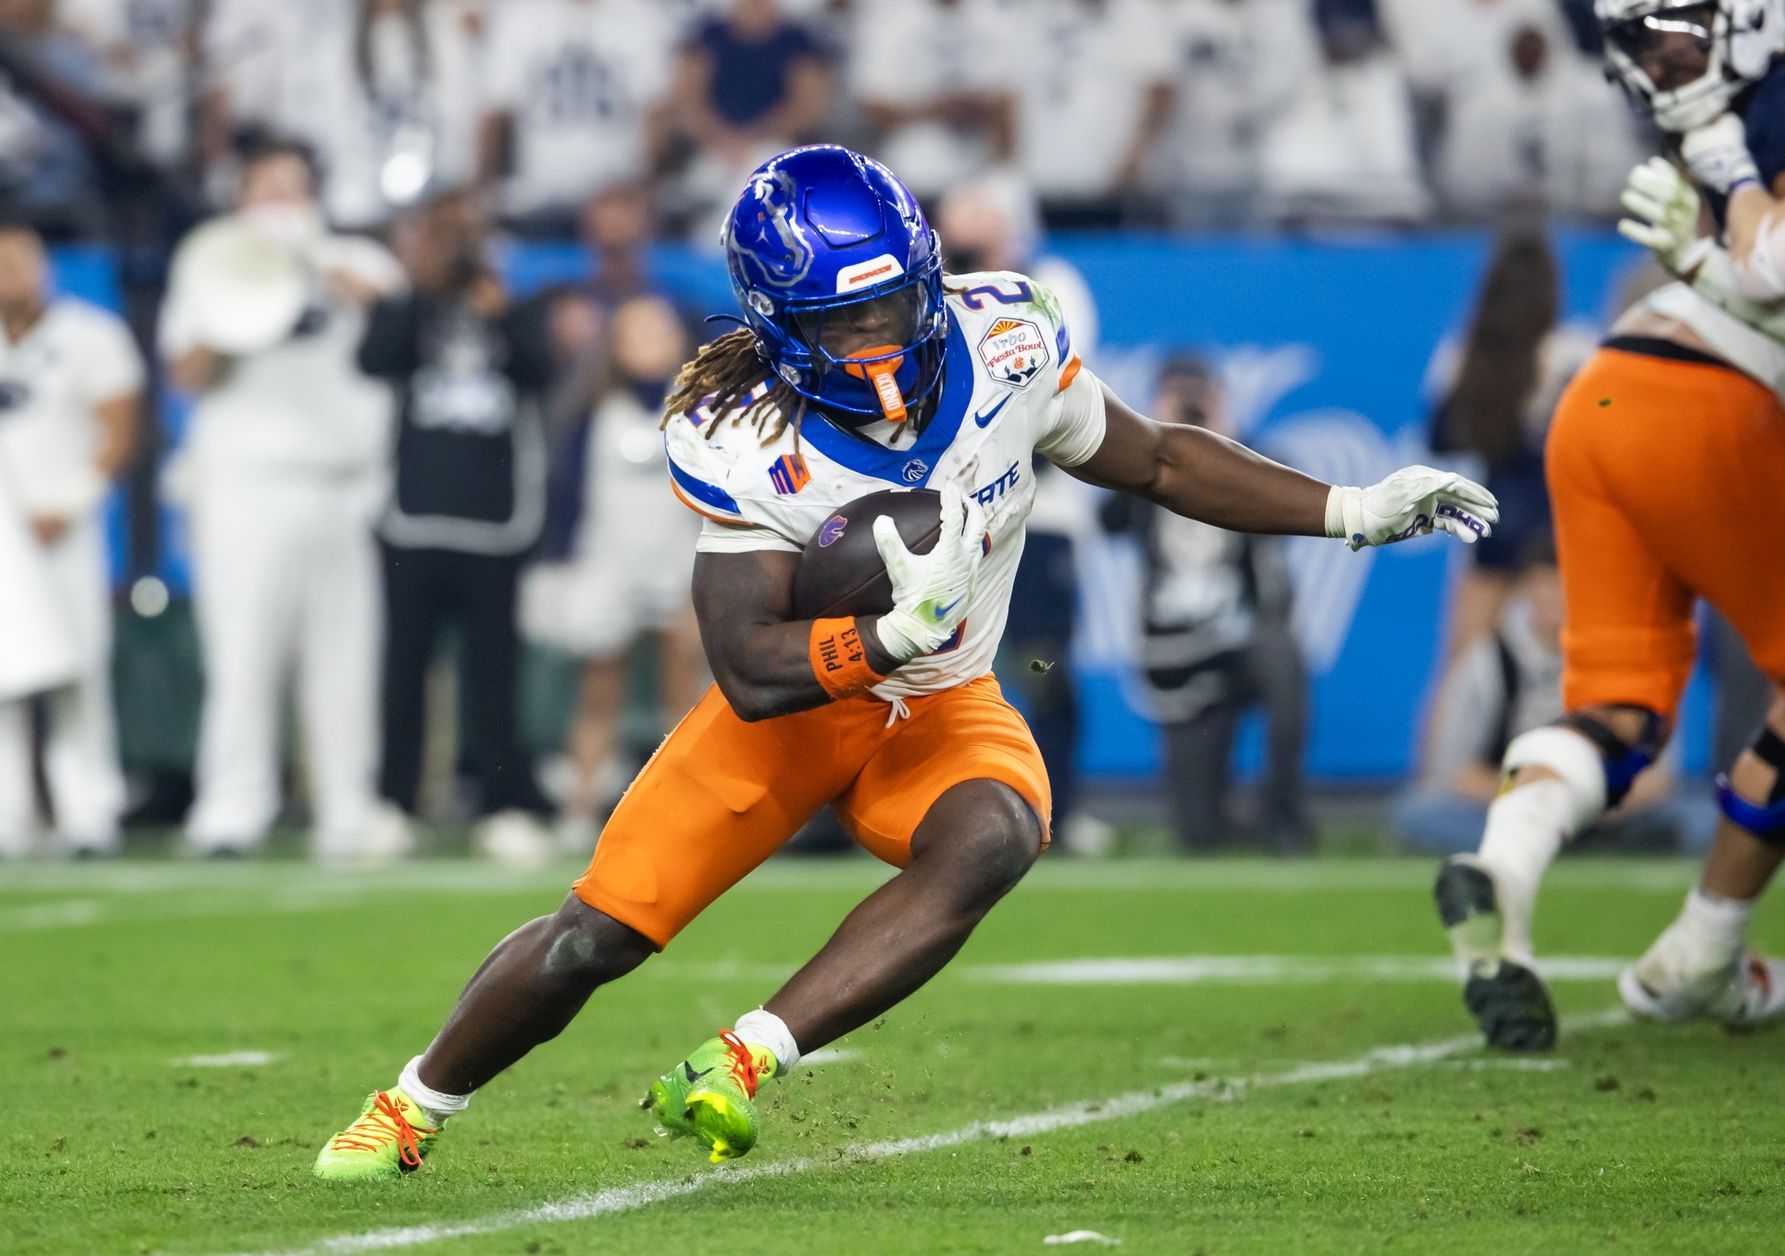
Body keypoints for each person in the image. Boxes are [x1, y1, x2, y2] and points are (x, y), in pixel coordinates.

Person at [312, 144, 1496, 1180]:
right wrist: (883, 633)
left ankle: (737, 1059)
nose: (878, 340)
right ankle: (409, 1103)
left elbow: (1160, 464)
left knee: (998, 829)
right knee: (592, 940)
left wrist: (1350, 506)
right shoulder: (737, 425)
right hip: (799, 709)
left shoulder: (1007, 336)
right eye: (842, 322)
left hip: (941, 701)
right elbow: (745, 665)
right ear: (779, 324)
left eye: (892, 305)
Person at [1434, 0, 1785, 1051]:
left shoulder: (1740, 125)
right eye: (1644, 43)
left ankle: (1506, 861)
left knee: (1618, 709)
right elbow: (1770, 272)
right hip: (1710, 404)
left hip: (1602, 400)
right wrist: (1728, 183)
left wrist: (1715, 245)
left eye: (1675, 34)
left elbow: (1756, 273)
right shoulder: (1741, 128)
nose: (1661, 62)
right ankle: (1705, 942)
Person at [163, 137, 404, 861]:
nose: (279, 202)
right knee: (242, 653)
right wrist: (242, 300)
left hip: (344, 483)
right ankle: (231, 809)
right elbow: (189, 373)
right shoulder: (213, 263)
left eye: (292, 188)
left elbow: (397, 322)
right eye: (265, 189)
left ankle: (347, 810)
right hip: (247, 484)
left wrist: (313, 264)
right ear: (240, 201)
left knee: (345, 657)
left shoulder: (359, 262)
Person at [360, 187, 556, 868]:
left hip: (495, 525)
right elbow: (372, 357)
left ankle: (502, 807)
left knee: (493, 678)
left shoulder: (513, 307)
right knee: (402, 672)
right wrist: (419, 288)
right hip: (412, 520)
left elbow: (542, 369)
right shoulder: (407, 308)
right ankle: (392, 804)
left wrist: (496, 313)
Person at [1100, 355, 1312, 854]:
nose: (1192, 406)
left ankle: (1284, 820)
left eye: (1200, 396)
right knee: (1197, 831)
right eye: (1180, 395)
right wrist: (1154, 441)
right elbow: (1108, 519)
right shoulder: (1139, 469)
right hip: (1179, 645)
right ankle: (1222, 818)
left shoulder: (1253, 454)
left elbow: (1284, 500)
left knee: (1284, 665)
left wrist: (1224, 443)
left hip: (1246, 632)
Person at [529, 294, 706, 847]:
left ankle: (689, 815)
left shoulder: (701, 411)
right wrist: (561, 568)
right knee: (599, 694)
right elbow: (566, 497)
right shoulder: (592, 410)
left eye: (660, 332)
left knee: (687, 697)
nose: (650, 345)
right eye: (637, 333)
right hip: (608, 564)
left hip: (679, 563)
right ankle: (580, 809)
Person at [1395, 538, 1703, 855]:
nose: (1556, 600)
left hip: (1604, 810)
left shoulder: (1621, 661)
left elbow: (1657, 774)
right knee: (1420, 814)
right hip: (1511, 805)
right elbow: (1454, 771)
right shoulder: (1491, 661)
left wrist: (1590, 801)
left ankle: (1559, 845)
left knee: (1699, 817)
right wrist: (1536, 796)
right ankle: (1550, 843)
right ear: (1524, 591)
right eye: (1546, 587)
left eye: (1567, 587)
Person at [0, 220, 142, 857]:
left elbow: (118, 427)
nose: (12, 276)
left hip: (63, 527)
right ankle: (9, 819)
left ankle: (89, 813)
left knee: (77, 671)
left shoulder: (91, 334)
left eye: (21, 262)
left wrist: (73, 500)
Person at [1426, 230, 1593, 656]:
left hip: (1490, 522)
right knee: (1558, 666)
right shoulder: (1572, 354)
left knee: (1462, 665)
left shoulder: (1465, 355)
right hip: (1552, 532)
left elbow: (1439, 438)